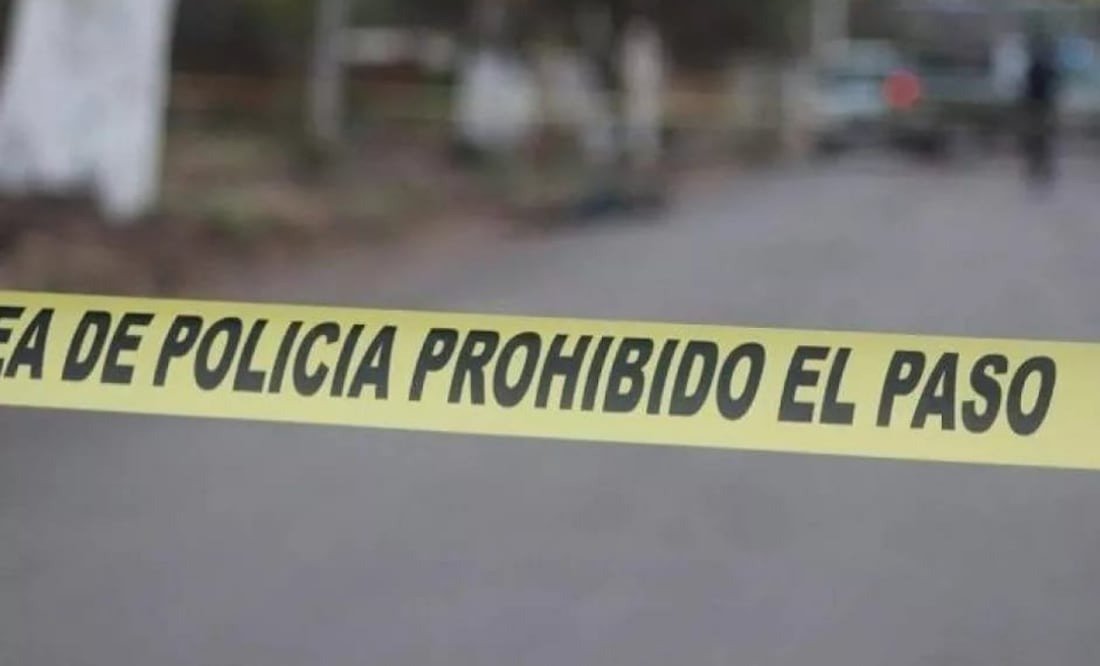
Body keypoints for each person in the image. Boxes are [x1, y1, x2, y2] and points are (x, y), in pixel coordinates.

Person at [1020, 34, 1061, 189]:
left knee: (1040, 138)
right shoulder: (1042, 67)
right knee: (1040, 139)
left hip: (1039, 107)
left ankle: (1039, 167)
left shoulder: (1037, 67)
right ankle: (1039, 167)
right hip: (1040, 107)